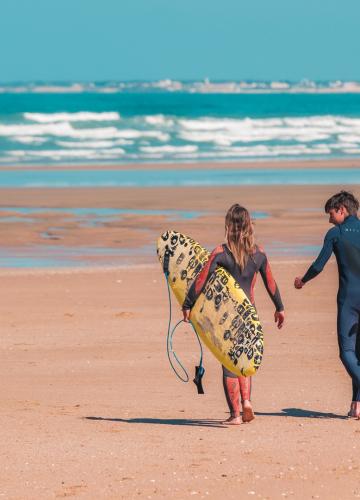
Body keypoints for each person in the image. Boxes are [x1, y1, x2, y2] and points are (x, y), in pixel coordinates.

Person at [182, 204, 285, 425]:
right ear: (249, 225)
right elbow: (271, 283)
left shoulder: (221, 252)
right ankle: (247, 401)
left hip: (227, 317)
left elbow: (201, 280)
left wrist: (188, 304)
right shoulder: (259, 253)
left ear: (229, 226)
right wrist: (280, 307)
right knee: (244, 359)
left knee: (229, 363)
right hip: (250, 315)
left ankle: (236, 414)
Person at [294, 191, 360, 418]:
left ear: (342, 209)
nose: (329, 219)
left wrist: (302, 280)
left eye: (331, 213)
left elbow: (319, 265)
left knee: (347, 352)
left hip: (349, 300)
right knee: (358, 355)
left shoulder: (335, 234)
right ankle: (356, 406)